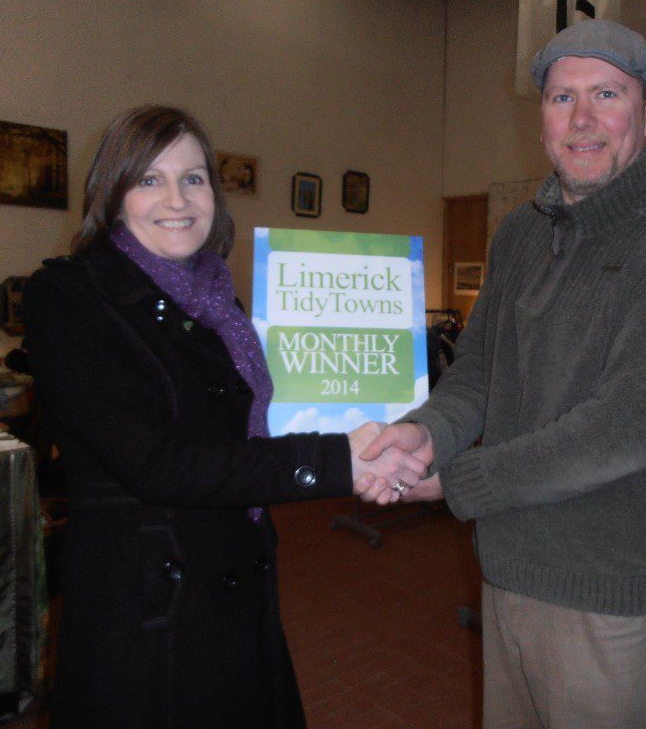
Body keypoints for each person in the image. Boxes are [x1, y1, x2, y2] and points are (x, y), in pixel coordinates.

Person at [22, 105, 422, 729]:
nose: (177, 199)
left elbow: (247, 431)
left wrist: (377, 448)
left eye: (195, 177)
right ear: (111, 192)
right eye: (149, 179)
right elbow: (156, 462)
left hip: (236, 580)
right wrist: (339, 460)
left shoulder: (215, 301)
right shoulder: (68, 299)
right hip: (150, 603)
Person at [359, 19, 646, 728]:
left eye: (607, 94)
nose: (581, 120)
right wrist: (422, 435)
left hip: (602, 594)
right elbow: (478, 372)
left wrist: (455, 480)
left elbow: (625, 430)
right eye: (560, 97)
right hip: (506, 568)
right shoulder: (519, 231)